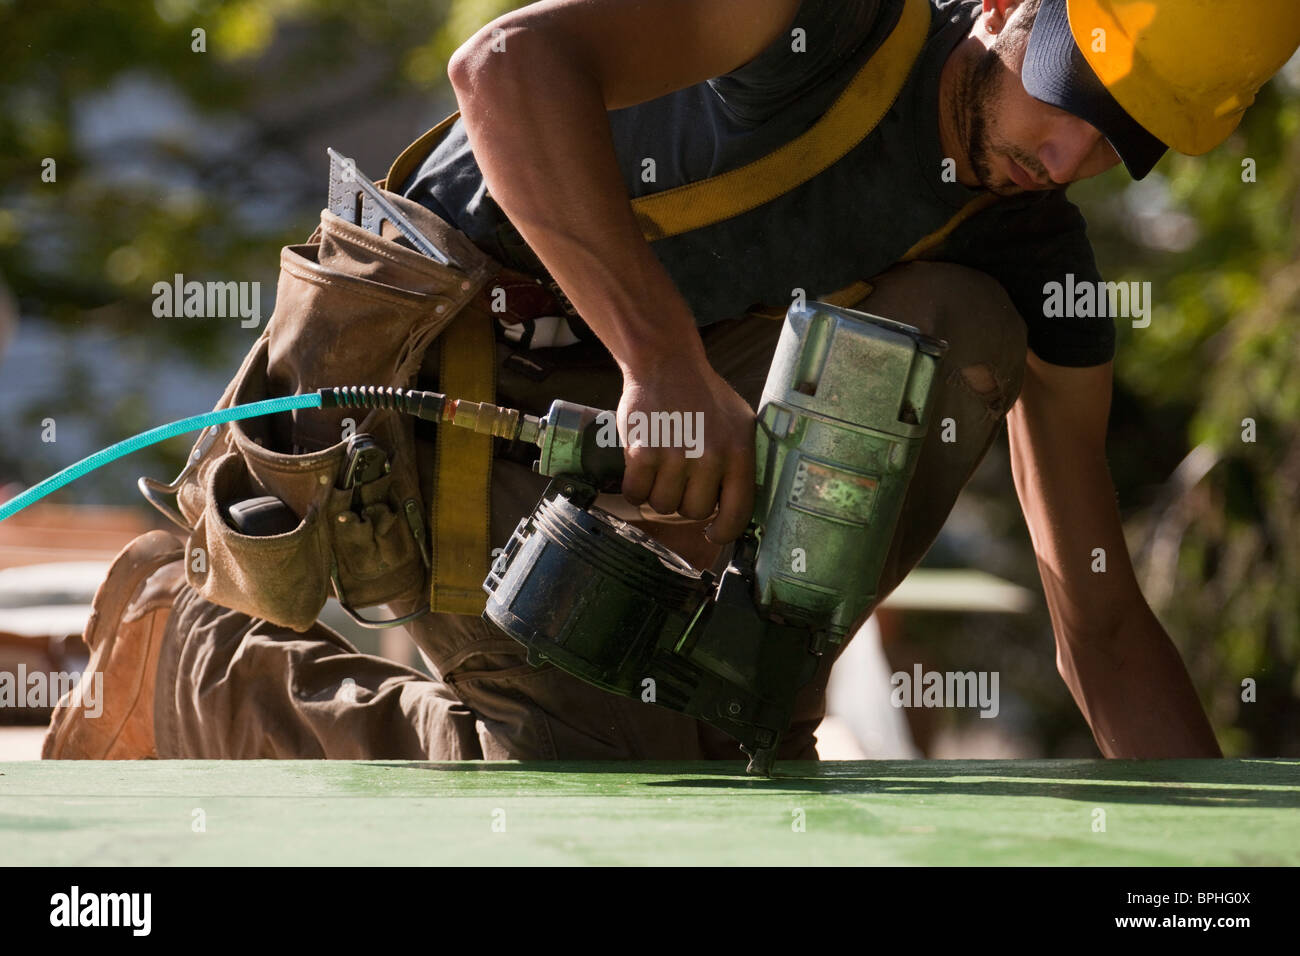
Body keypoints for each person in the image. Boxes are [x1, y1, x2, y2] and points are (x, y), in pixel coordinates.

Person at [44, 0, 1300, 762]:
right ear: (1009, 9)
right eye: (1070, 95)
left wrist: (1226, 864)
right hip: (435, 389)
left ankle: (743, 703)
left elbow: (1099, 613)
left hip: (646, 443)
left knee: (964, 326)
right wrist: (663, 364)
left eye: (1116, 139)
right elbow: (502, 69)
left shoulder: (1024, 249)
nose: (1068, 151)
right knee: (585, 798)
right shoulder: (829, 26)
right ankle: (192, 662)